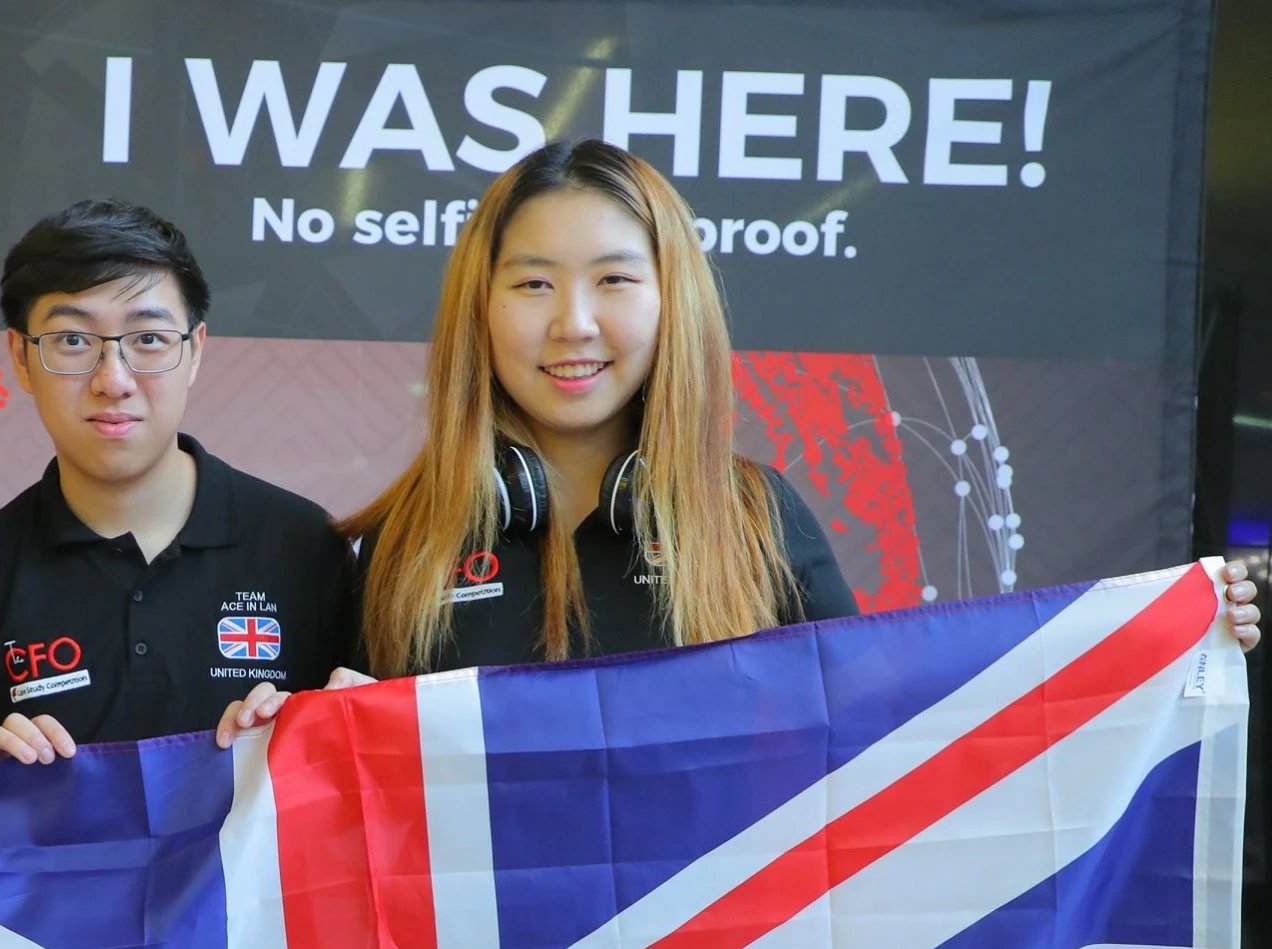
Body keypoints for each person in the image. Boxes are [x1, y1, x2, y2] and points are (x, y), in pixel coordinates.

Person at [214, 138, 1259, 743]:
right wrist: (267, 737)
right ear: (477, 313)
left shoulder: (754, 520)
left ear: (672, 306)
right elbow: (320, 796)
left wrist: (1153, 642)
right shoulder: (400, 544)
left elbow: (895, 725)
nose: (571, 323)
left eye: (614, 280)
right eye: (530, 284)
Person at [0, 198, 355, 764]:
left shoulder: (306, 547)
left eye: (148, 339)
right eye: (73, 341)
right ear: (21, 357)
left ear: (194, 351)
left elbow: (367, 787)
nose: (112, 380)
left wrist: (311, 736)